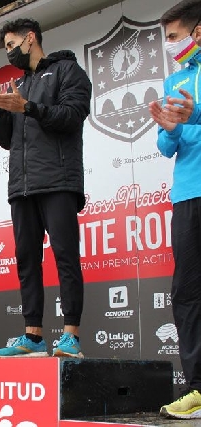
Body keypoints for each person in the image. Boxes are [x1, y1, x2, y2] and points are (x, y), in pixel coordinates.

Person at [0, 18, 92, 358]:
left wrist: (28, 107)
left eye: (12, 45)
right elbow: (7, 140)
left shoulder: (68, 70)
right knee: (26, 259)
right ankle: (33, 336)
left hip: (58, 181)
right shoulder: (19, 85)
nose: (10, 53)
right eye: (6, 48)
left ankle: (71, 335)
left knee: (65, 255)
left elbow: (71, 115)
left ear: (30, 38)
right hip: (22, 187)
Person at [148, 0, 201, 419]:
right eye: (167, 39)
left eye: (175, 36)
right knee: (186, 292)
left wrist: (194, 113)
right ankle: (197, 387)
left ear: (197, 32)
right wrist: (169, 130)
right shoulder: (175, 80)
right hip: (186, 195)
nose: (171, 45)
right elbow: (168, 147)